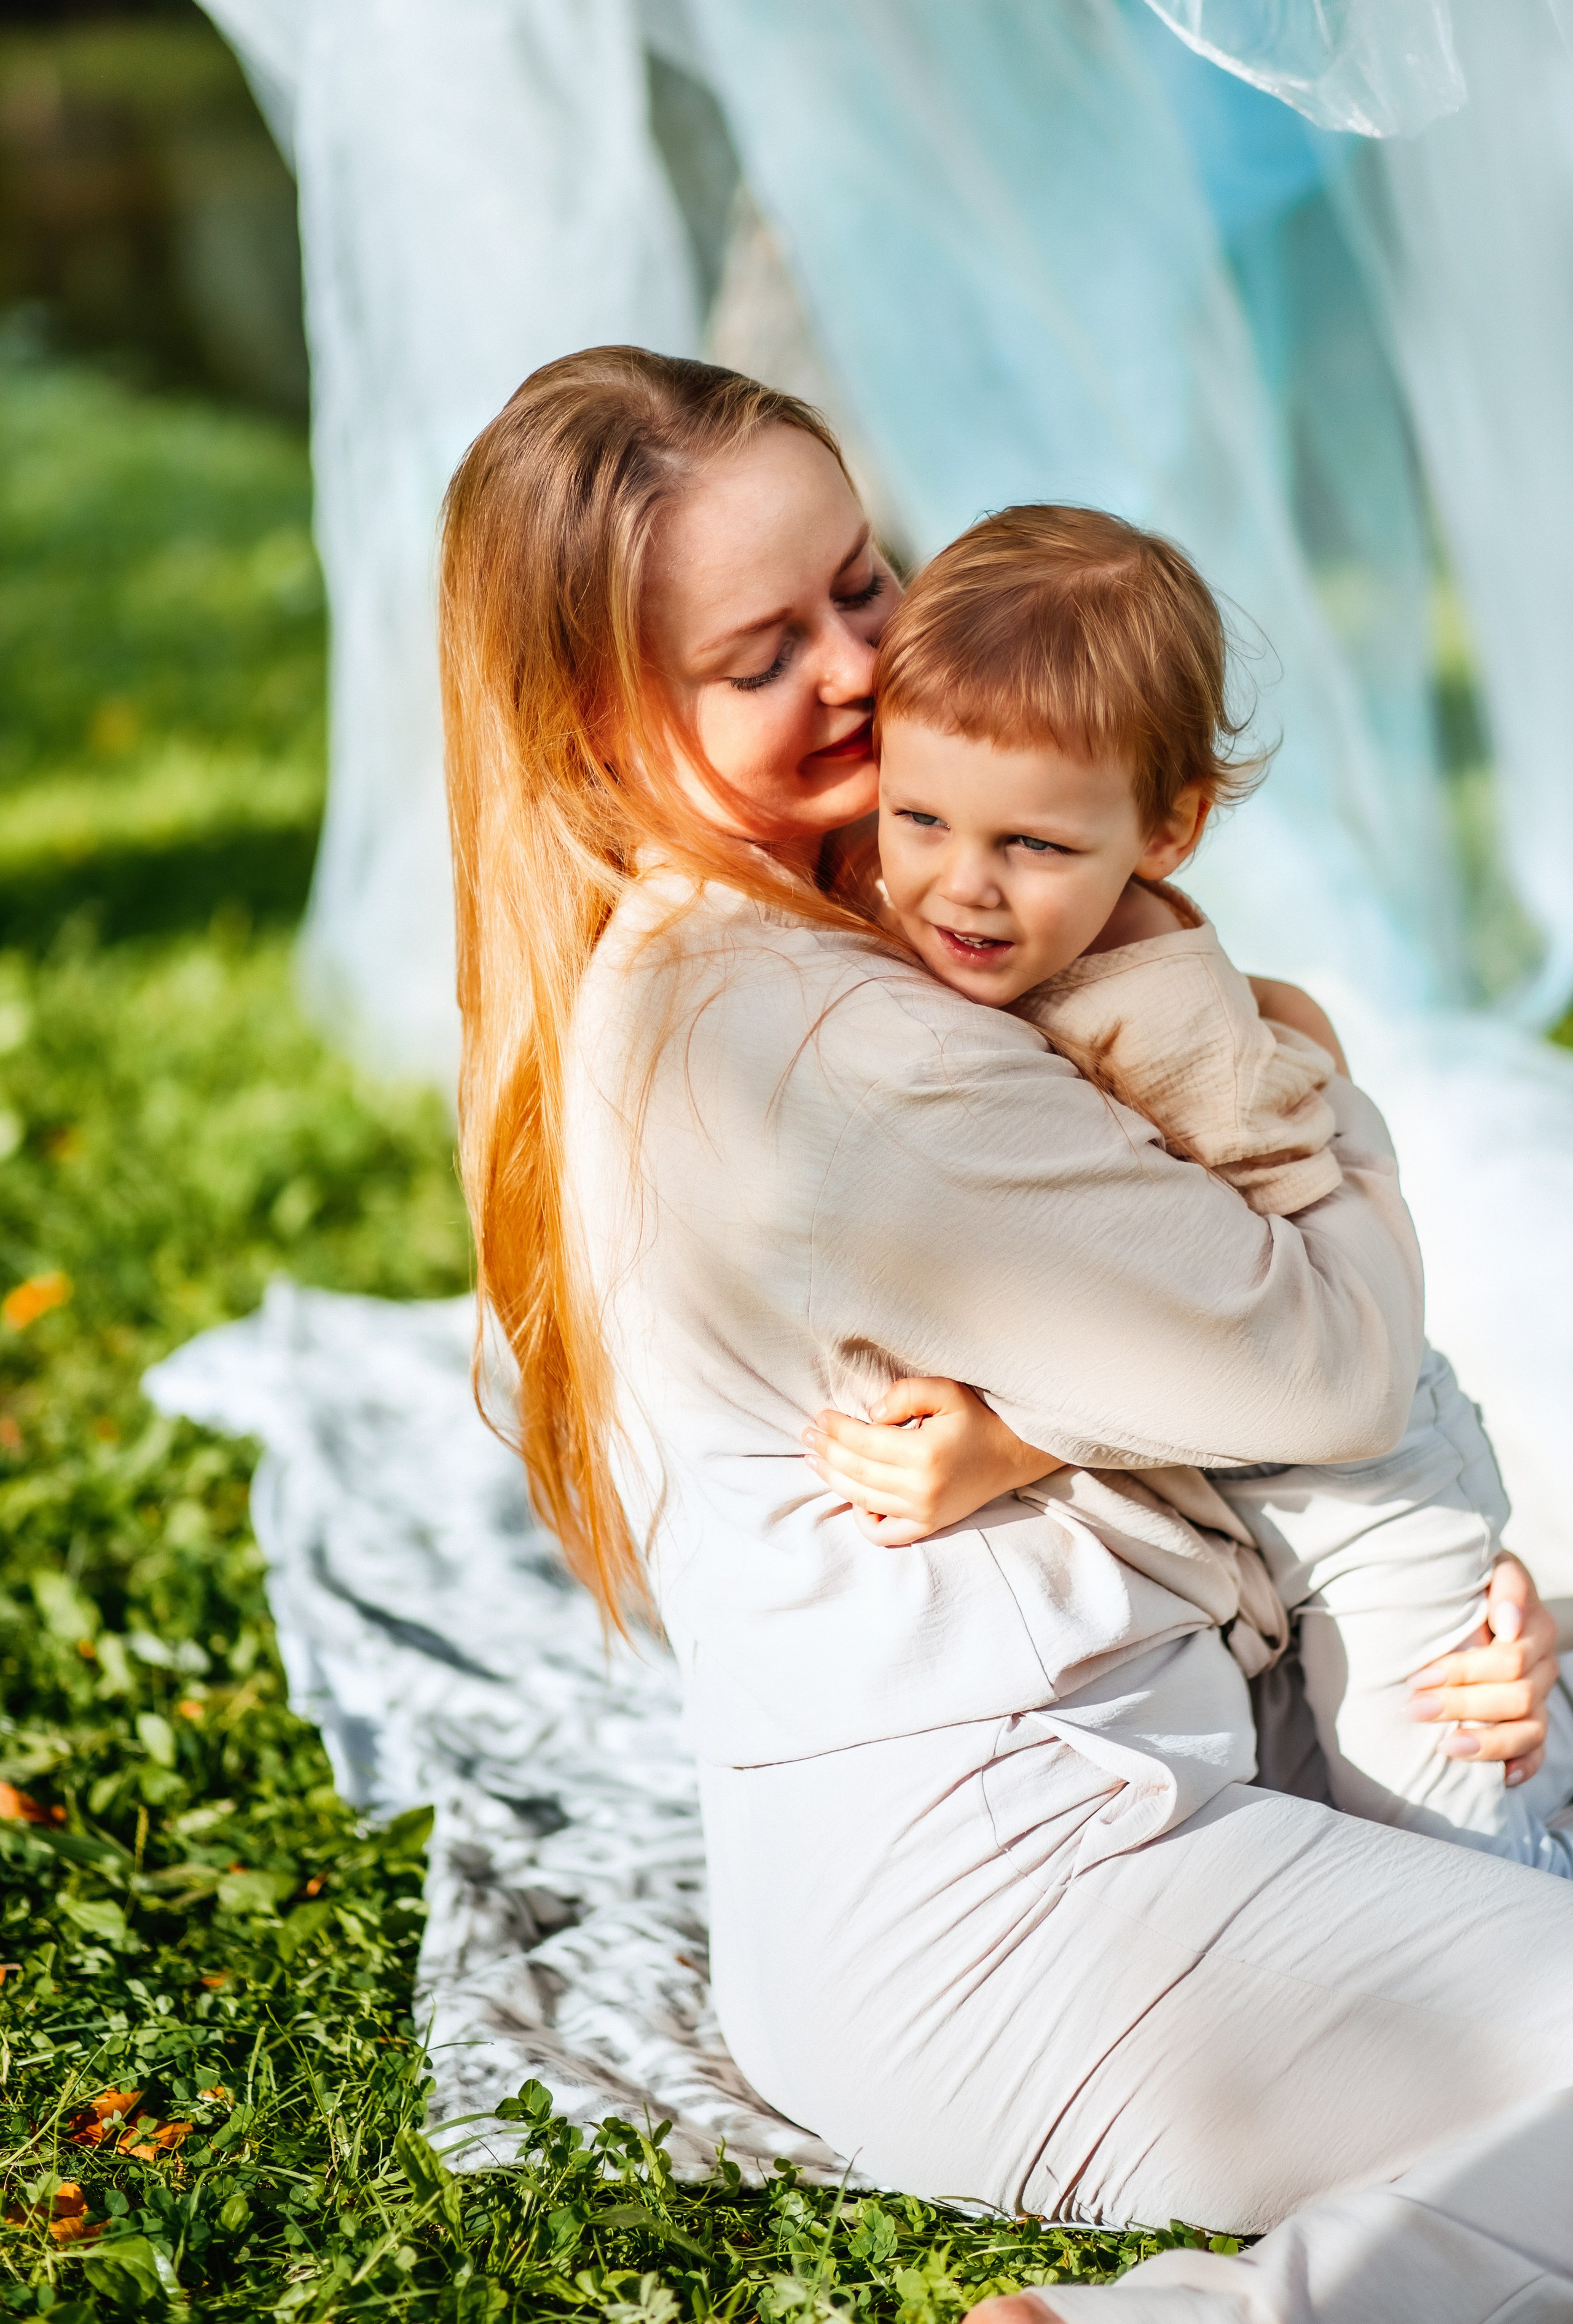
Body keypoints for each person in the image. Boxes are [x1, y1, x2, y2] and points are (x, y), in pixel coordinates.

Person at [438, 345, 1573, 2320]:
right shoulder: (834, 1057)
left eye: (860, 583)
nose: (861, 671)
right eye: (759, 650)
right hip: (1042, 1908)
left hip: (1053, 1827)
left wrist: (1412, 1629)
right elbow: (1330, 1366)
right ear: (605, 721)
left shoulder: (772, 937)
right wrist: (1316, 1067)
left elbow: (1177, 1390)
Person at [802, 502, 1573, 1875]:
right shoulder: (934, 912)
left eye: (1033, 847)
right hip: (1232, 1481)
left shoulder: (1174, 1033)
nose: (959, 889)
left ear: (1166, 828)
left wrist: (1016, 1440)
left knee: (1444, 1815)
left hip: (1362, 1477)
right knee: (1324, 1813)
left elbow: (1252, 1327)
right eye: (915, 817)